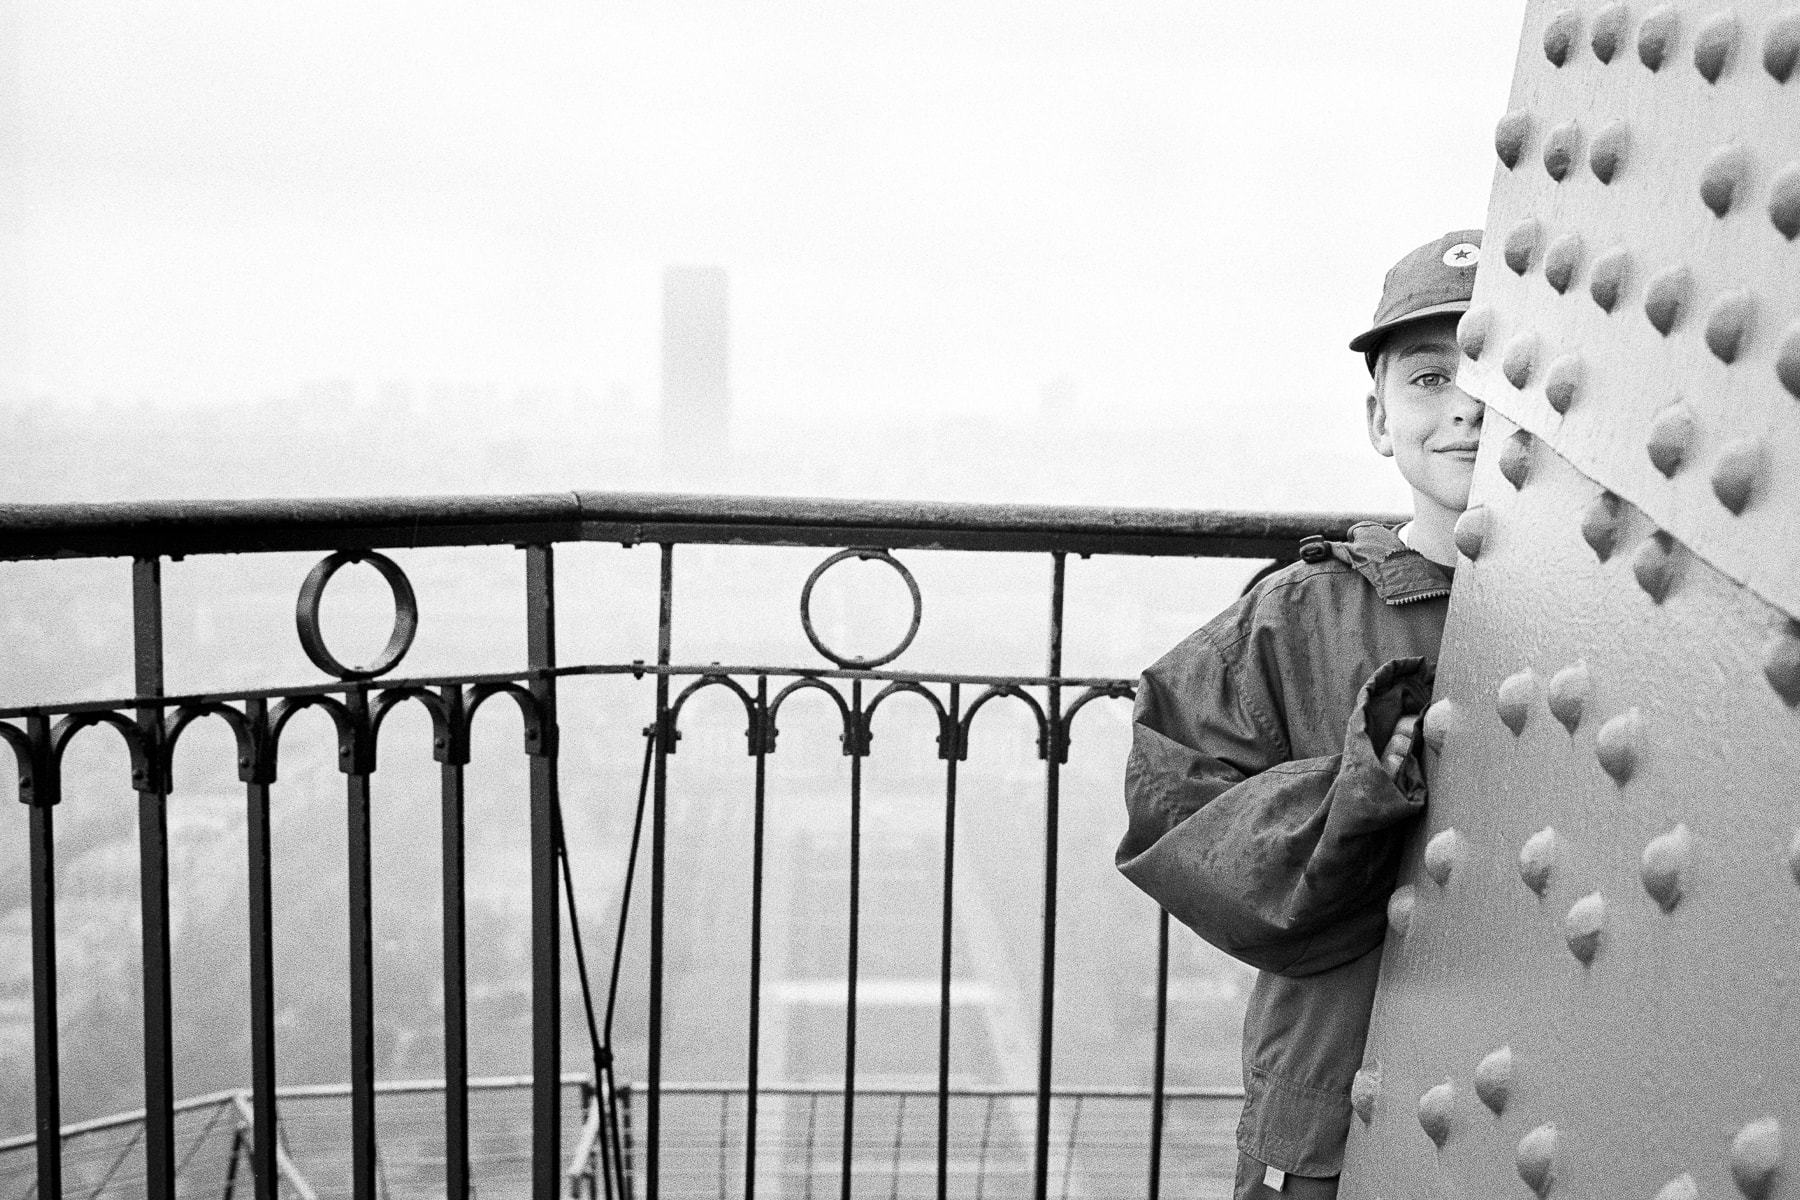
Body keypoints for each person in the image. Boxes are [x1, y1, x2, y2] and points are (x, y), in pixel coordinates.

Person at [1116, 230, 1486, 1199]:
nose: (1467, 408)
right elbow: (1175, 805)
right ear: (1378, 419)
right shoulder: (1299, 615)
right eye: (1430, 378)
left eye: (1494, 371)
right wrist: (1356, 792)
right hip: (1335, 1110)